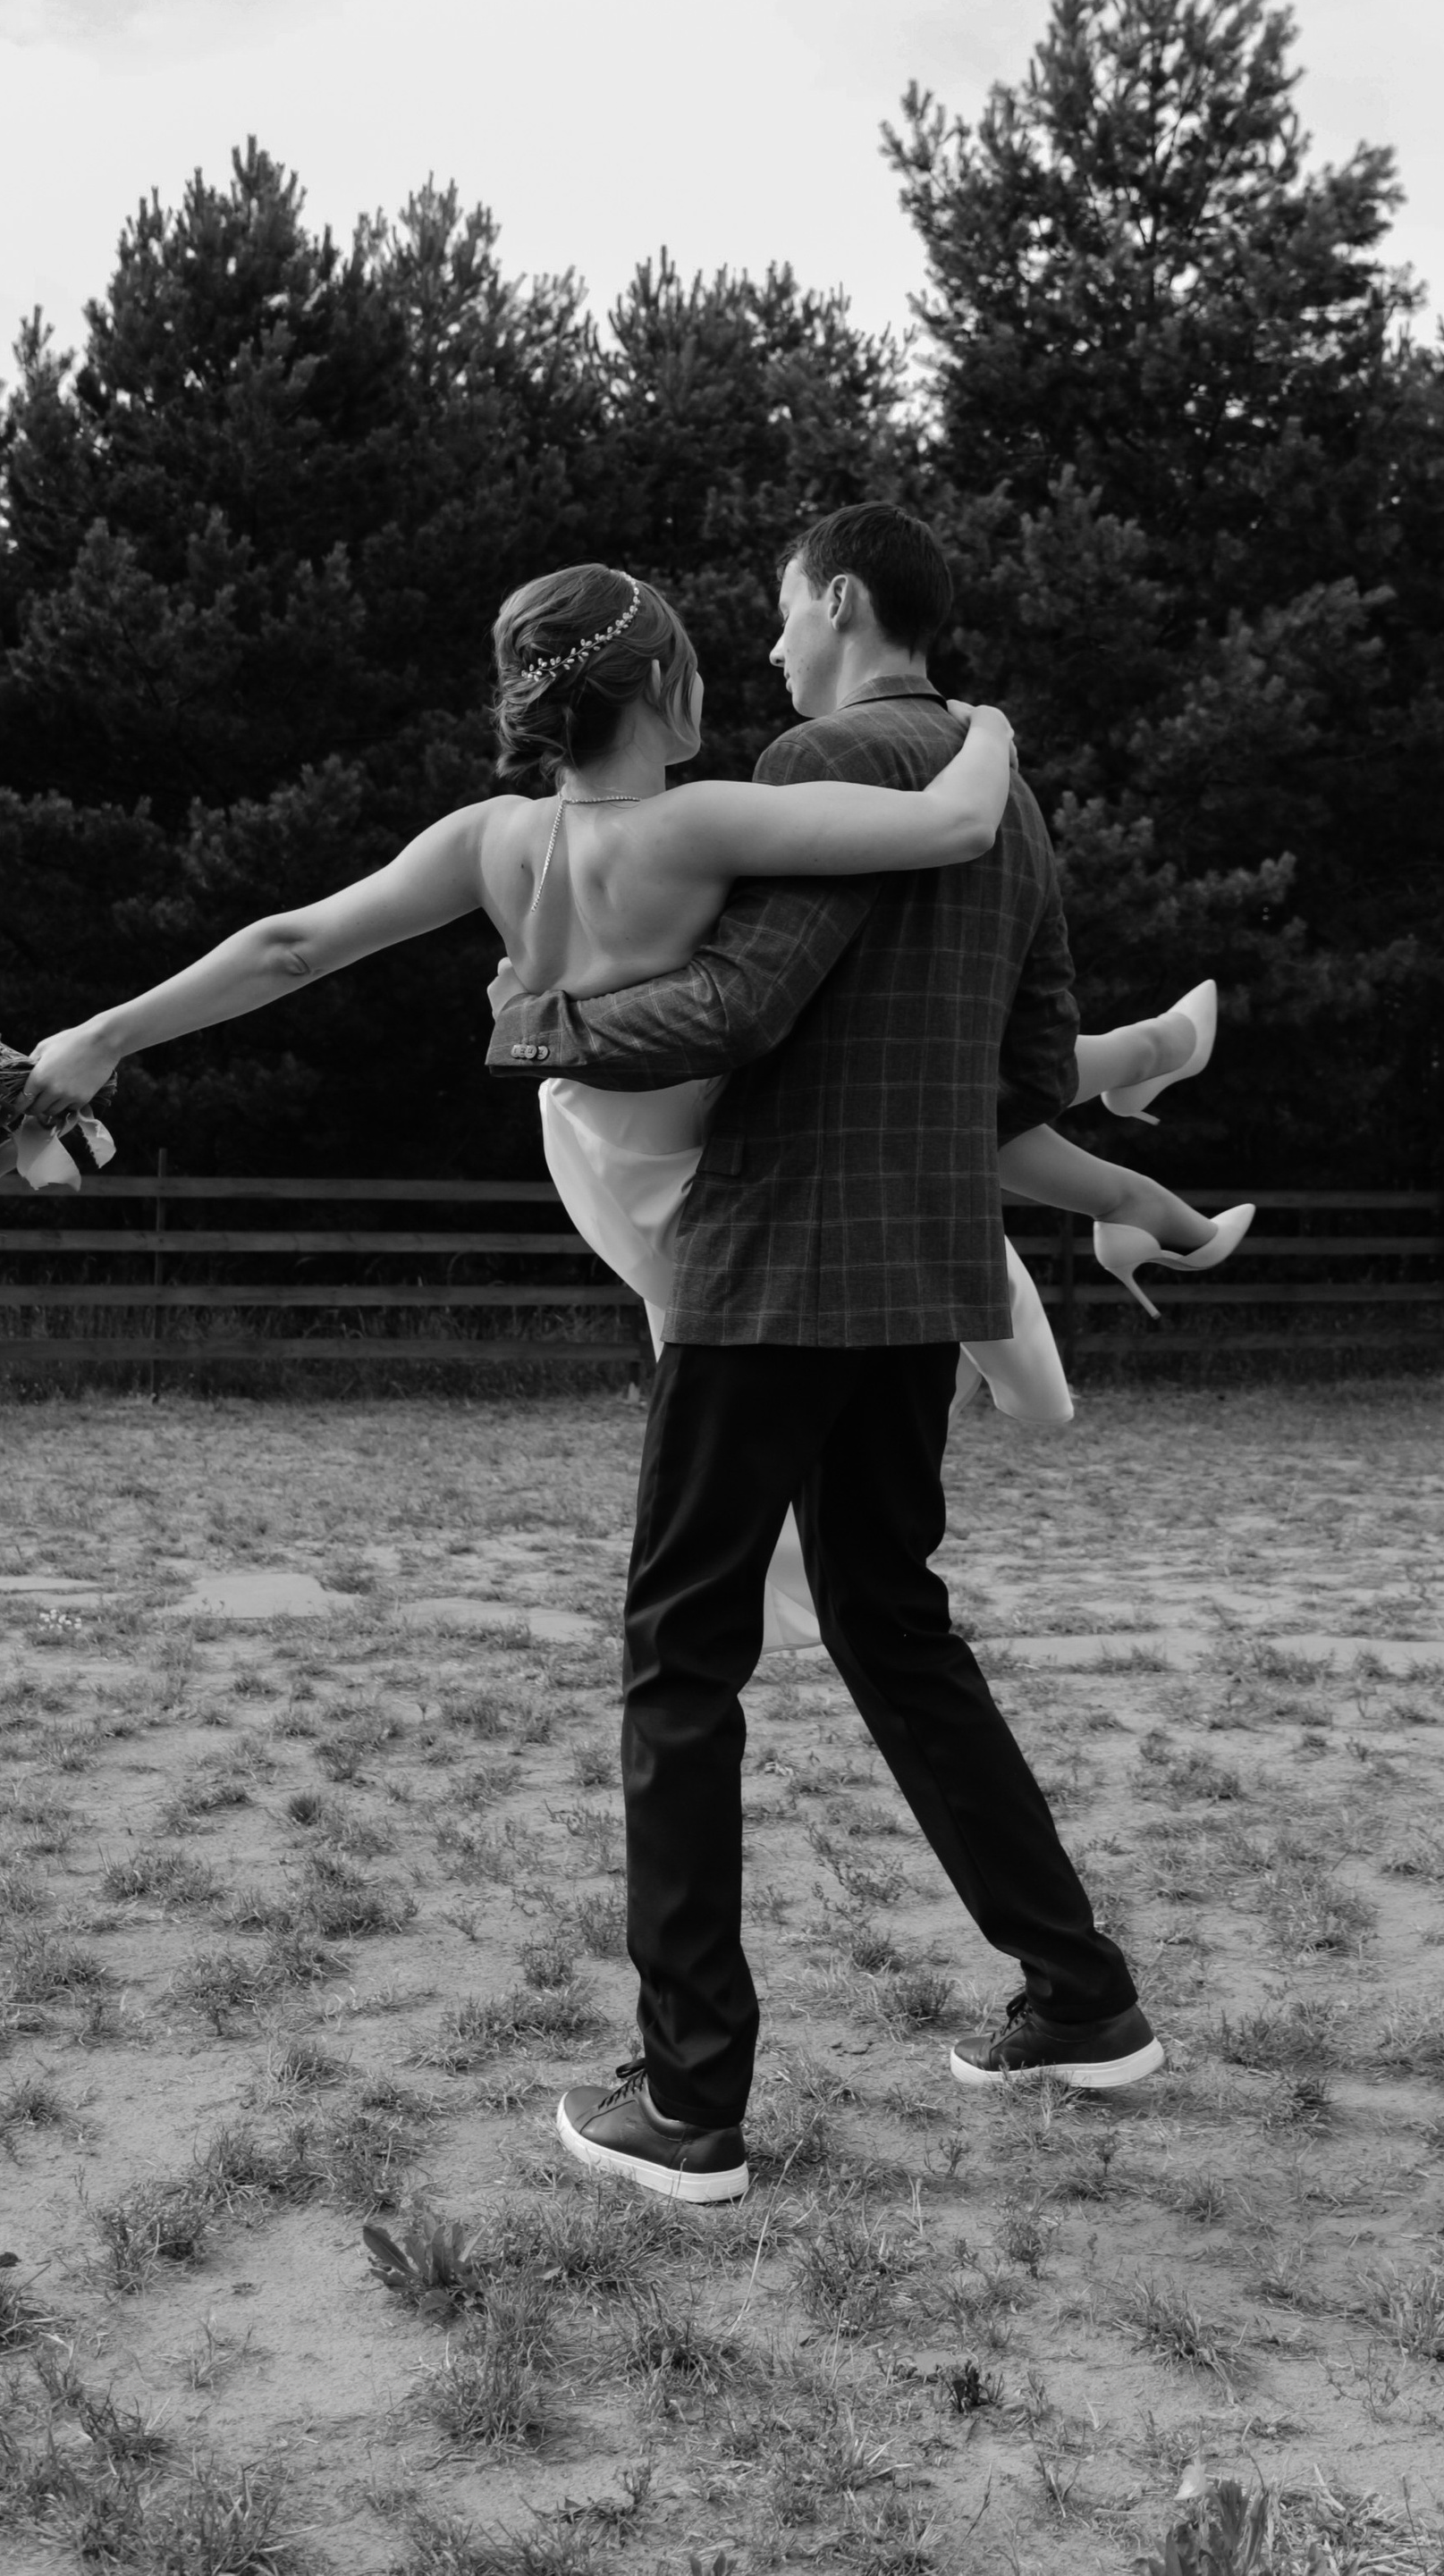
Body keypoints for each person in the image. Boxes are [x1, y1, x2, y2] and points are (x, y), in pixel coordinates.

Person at [490, 504, 1174, 2211]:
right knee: (892, 1628)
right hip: (918, 1281)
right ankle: (1080, 1999)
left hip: (775, 1267)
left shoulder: (820, 759)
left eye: (787, 611)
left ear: (844, 602)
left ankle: (690, 2100)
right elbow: (1023, 1078)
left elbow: (736, 1006)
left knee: (681, 1661)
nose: (774, 646)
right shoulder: (1002, 798)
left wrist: (542, 1027)